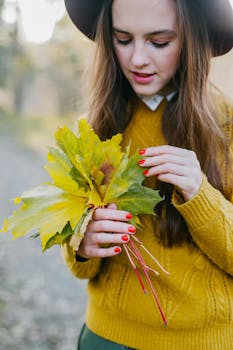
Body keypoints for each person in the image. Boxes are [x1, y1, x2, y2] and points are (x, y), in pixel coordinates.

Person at [62, 0, 233, 349]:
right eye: (123, 39)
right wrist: (83, 242)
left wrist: (201, 195)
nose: (137, 58)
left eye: (159, 42)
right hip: (106, 337)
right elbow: (79, 266)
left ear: (191, 41)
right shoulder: (92, 129)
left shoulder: (228, 128)